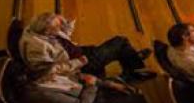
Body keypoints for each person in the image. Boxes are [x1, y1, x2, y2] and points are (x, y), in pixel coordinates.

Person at [20, 12, 155, 83]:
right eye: (57, 27)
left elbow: (63, 38)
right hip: (80, 65)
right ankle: (135, 69)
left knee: (119, 47)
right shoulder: (37, 49)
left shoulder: (37, 28)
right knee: (120, 42)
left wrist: (67, 25)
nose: (60, 27)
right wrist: (79, 62)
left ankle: (132, 61)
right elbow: (49, 70)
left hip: (79, 52)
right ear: (47, 32)